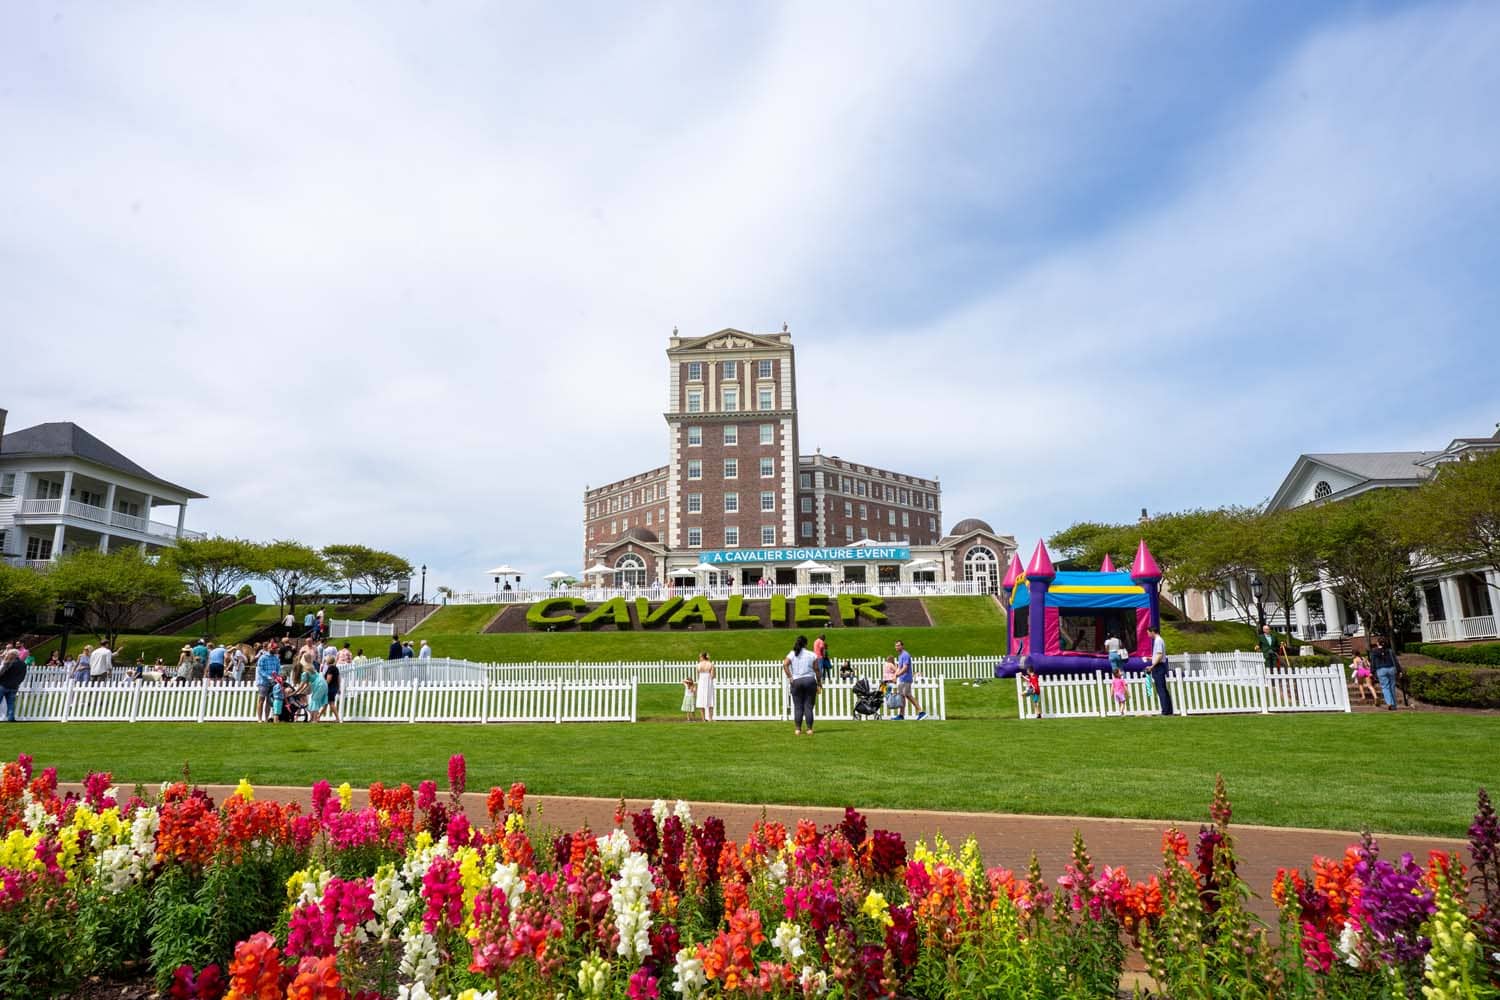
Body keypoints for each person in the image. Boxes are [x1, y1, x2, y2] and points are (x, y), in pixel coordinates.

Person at [782, 635, 820, 735]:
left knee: (798, 706)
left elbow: (785, 664)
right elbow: (816, 669)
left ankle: (798, 729)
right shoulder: (812, 654)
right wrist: (819, 683)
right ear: (806, 644)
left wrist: (790, 677)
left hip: (796, 681)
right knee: (808, 706)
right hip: (809, 680)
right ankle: (809, 729)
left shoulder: (792, 653)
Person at [892, 639, 926, 720]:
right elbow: (899, 667)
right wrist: (895, 675)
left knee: (908, 695)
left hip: (906, 679)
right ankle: (901, 715)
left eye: (898, 645)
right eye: (896, 645)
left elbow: (905, 668)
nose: (897, 647)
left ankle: (921, 712)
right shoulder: (900, 656)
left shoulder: (905, 655)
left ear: (902, 646)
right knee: (901, 697)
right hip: (901, 679)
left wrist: (897, 675)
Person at [1147, 625, 1173, 716]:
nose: (1148, 635)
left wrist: (1152, 666)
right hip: (1160, 665)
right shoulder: (1159, 640)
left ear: (1152, 632)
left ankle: (1165, 711)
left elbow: (1159, 655)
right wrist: (1151, 658)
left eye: (1148, 633)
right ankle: (1169, 710)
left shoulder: (1158, 641)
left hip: (1158, 667)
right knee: (1163, 689)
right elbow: (1157, 655)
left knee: (1161, 689)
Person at [1370, 638, 1399, 711]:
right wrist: (1399, 670)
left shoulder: (1374, 651)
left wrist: (1372, 671)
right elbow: (1395, 661)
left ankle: (1390, 702)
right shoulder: (1389, 650)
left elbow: (1373, 662)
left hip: (1381, 670)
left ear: (1378, 643)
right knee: (1392, 687)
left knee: (1385, 687)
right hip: (1391, 669)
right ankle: (1394, 705)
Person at [0, 643, 27, 722]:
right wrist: (17, 683)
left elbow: (1, 673)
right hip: (14, 686)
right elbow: (23, 676)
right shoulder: (23, 664)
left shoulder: (8, 662)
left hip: (3, 685)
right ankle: (11, 718)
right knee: (11, 704)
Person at [256, 644, 280, 722]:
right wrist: (269, 677)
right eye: (274, 649)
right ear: (269, 648)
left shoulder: (276, 658)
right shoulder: (262, 657)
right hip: (263, 682)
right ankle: (259, 719)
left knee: (269, 701)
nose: (276, 650)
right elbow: (260, 670)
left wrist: (277, 677)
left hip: (273, 682)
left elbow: (278, 669)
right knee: (261, 700)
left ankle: (266, 718)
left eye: (276, 648)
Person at [695, 651, 715, 722]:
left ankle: (703, 719)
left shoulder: (698, 665)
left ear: (702, 657)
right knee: (710, 699)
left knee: (701, 699)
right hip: (708, 682)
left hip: (701, 683)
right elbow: (712, 676)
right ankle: (710, 718)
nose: (699, 658)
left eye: (700, 657)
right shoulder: (710, 664)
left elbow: (697, 676)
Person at [323, 656, 342, 723]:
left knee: (331, 704)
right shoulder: (336, 668)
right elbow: (338, 678)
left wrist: (323, 686)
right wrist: (338, 687)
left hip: (330, 688)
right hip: (334, 687)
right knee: (326, 703)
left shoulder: (330, 668)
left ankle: (337, 718)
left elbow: (328, 679)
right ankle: (318, 716)